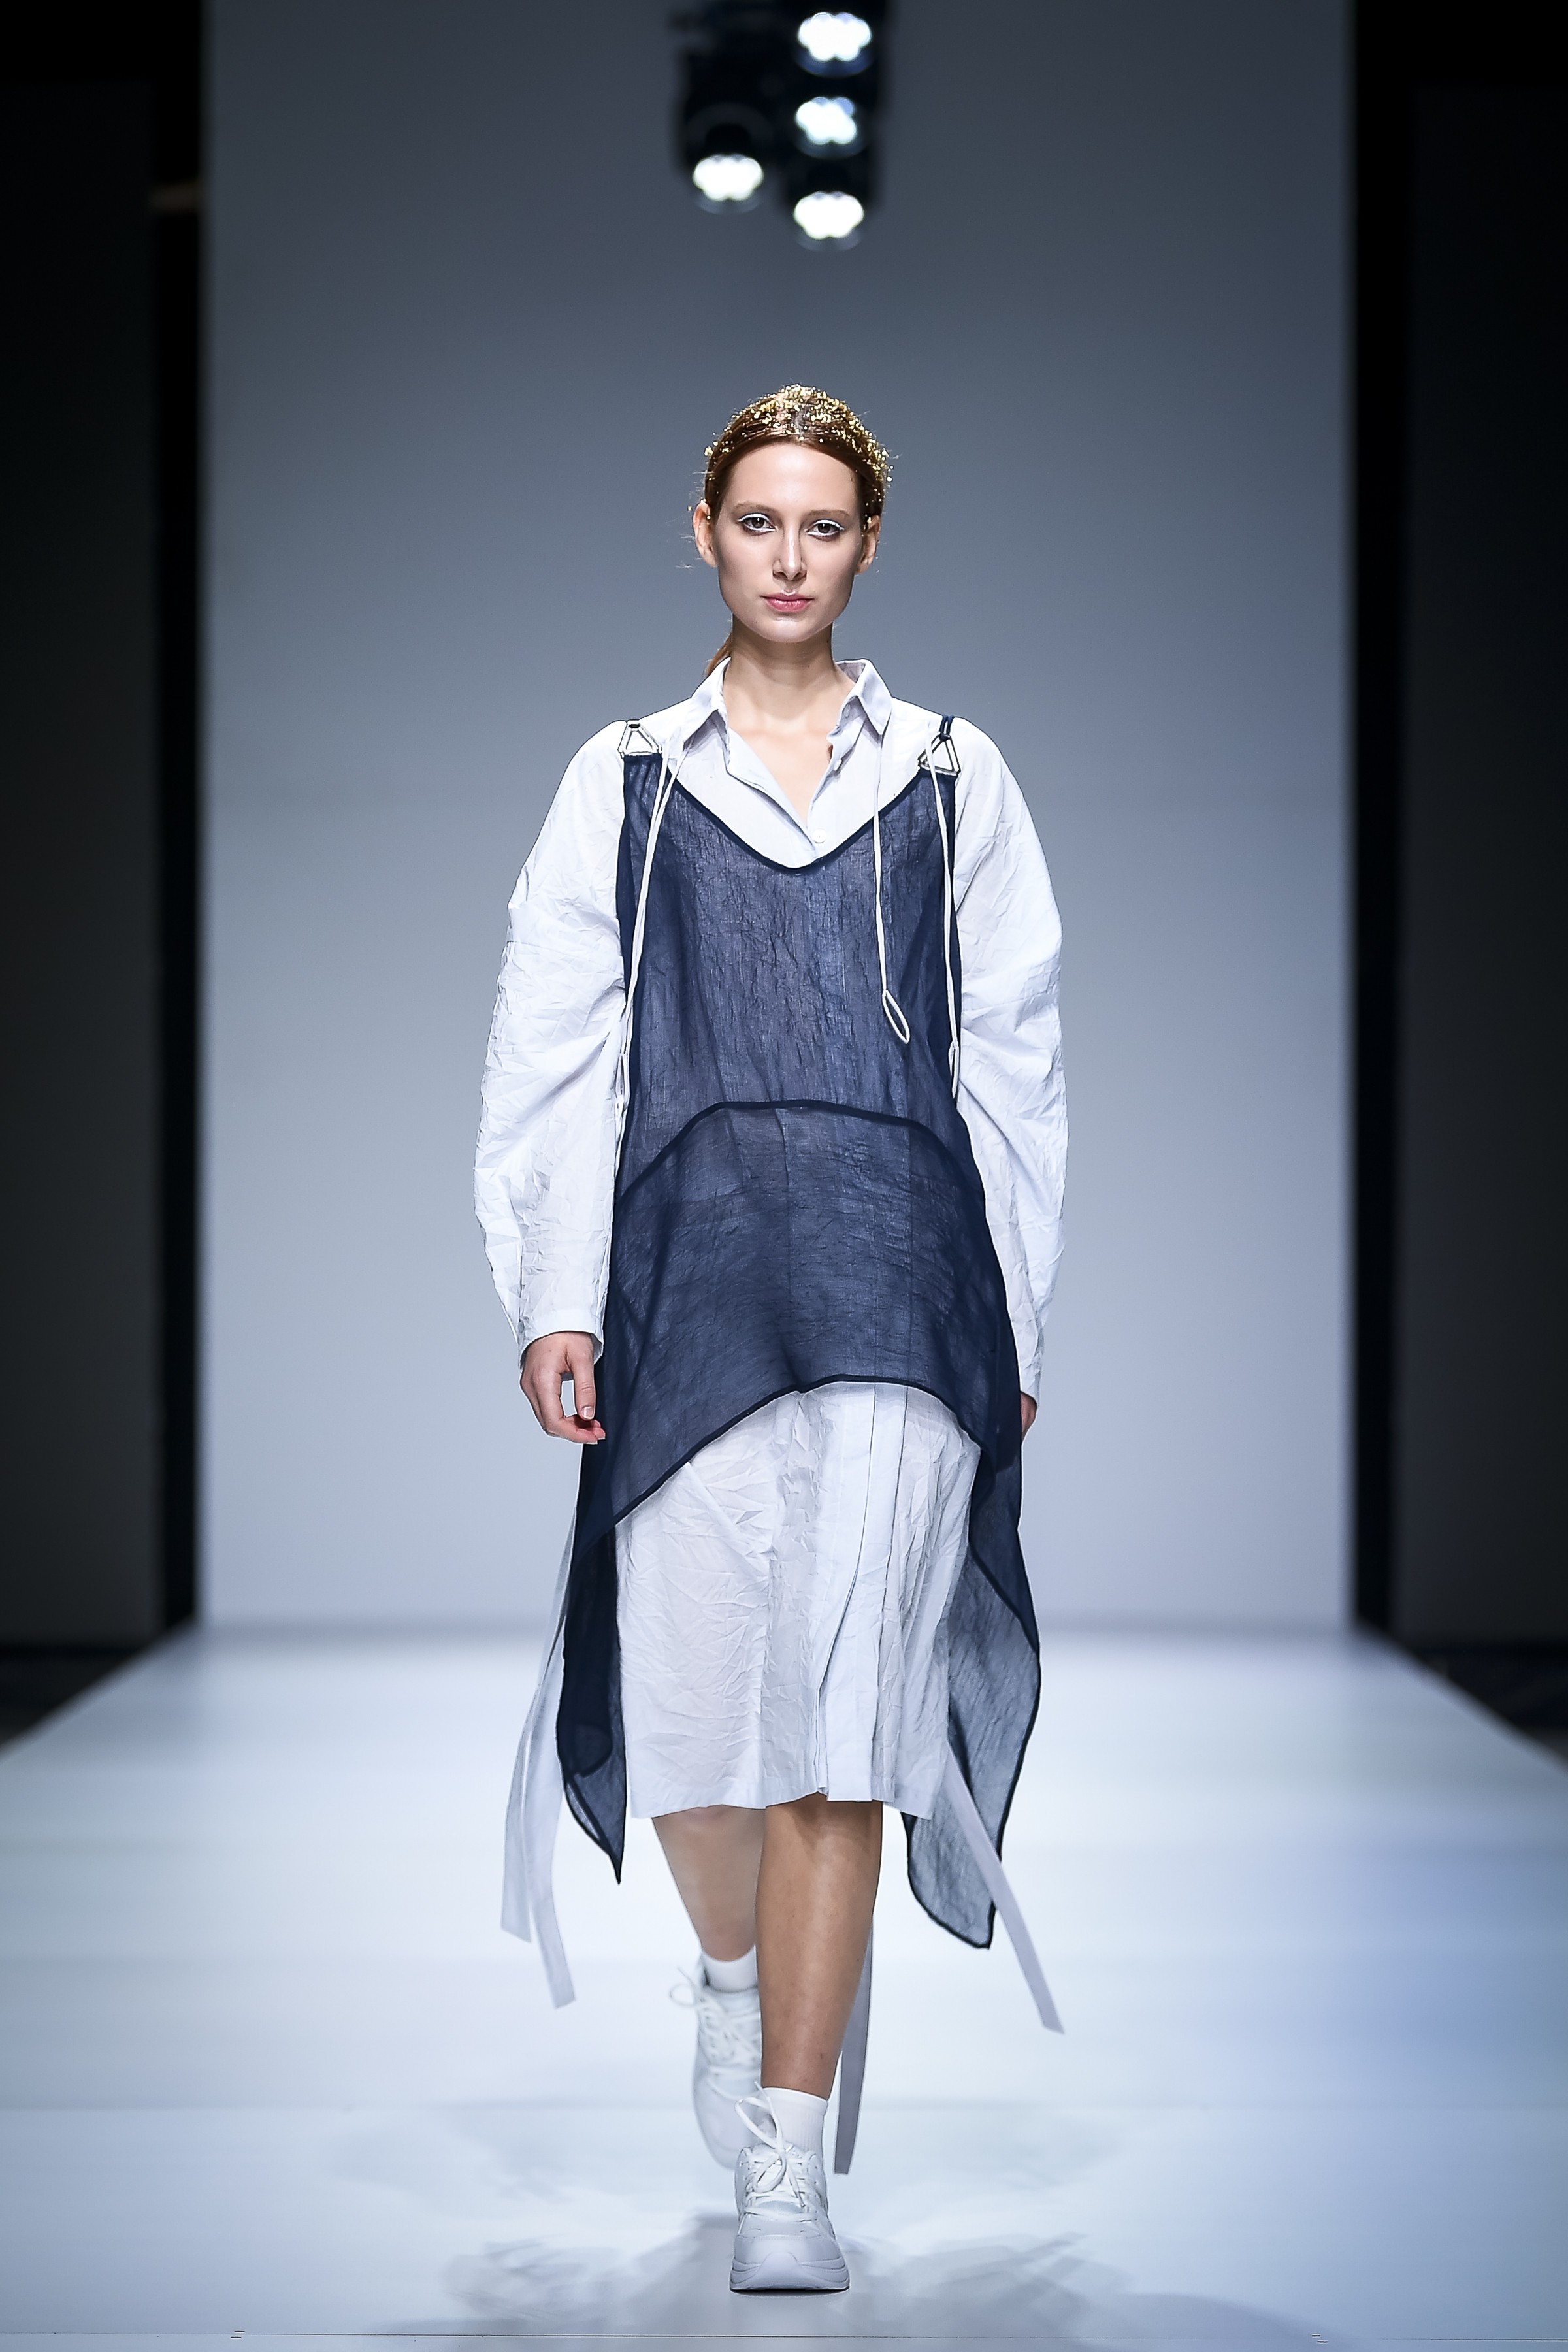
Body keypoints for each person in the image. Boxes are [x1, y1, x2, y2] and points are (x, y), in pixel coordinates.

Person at [476, 386, 1066, 2295]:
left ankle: (787, 2159)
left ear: (866, 546)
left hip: (902, 1296)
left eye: (824, 526)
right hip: (692, 1294)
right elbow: (554, 1051)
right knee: (692, 1733)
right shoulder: (630, 781)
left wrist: (1015, 1312)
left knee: (844, 1734)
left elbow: (1013, 1064)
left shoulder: (957, 777)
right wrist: (556, 1296)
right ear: (707, 534)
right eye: (759, 522)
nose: (790, 557)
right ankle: (731, 1977)